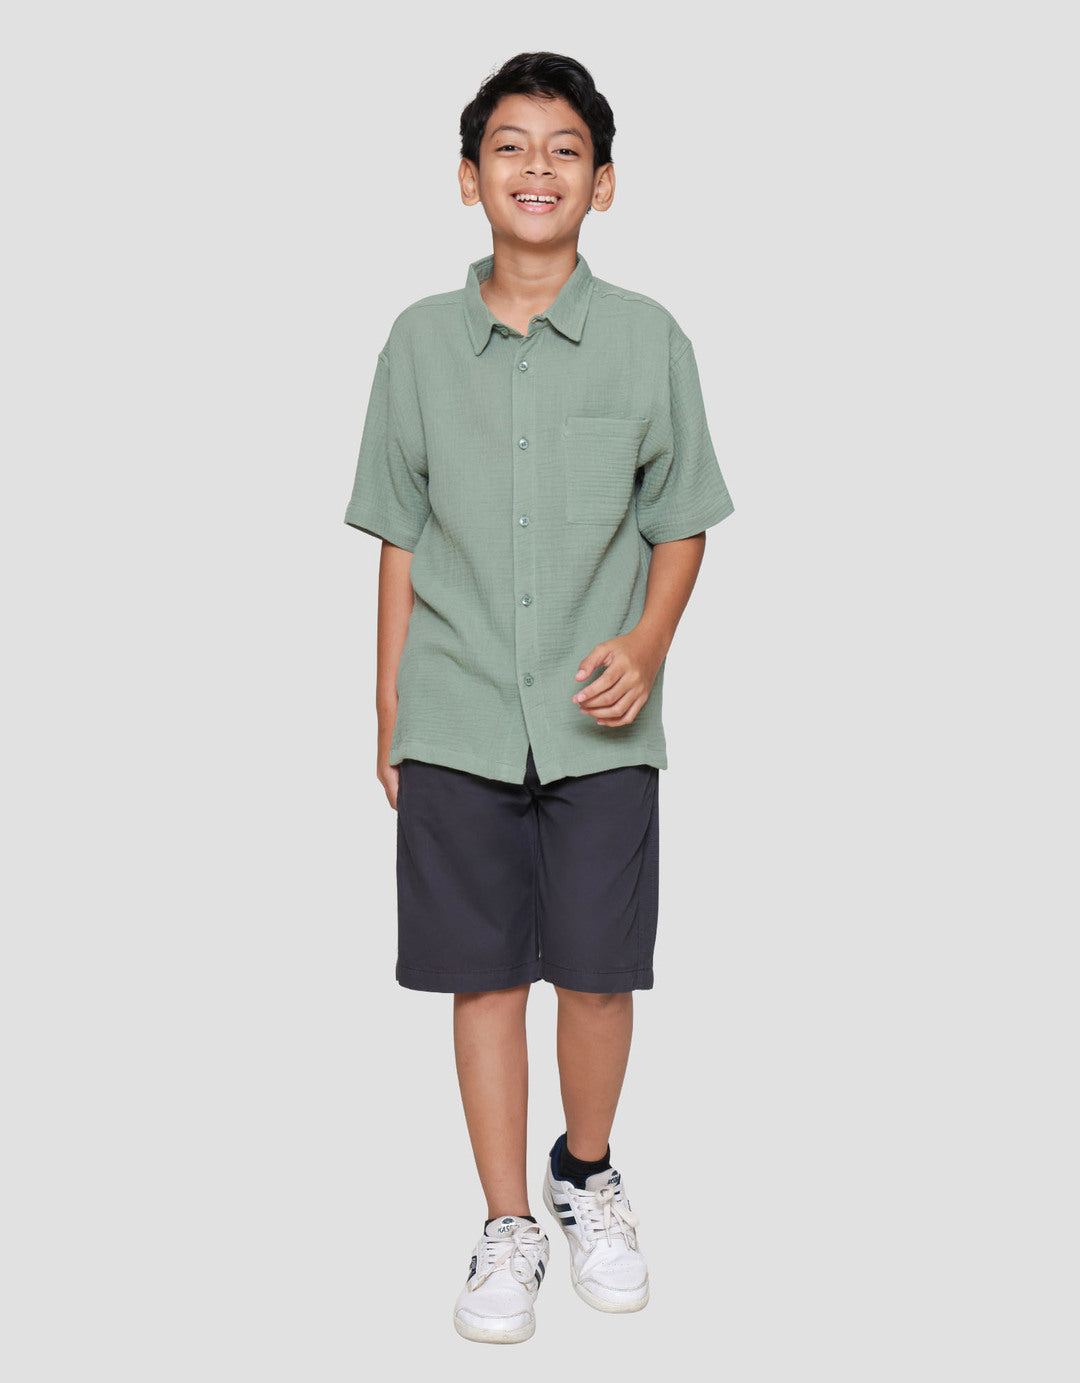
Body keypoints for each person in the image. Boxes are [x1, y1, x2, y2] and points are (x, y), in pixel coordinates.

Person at [343, 51, 735, 1345]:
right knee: (485, 978)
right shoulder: (416, 343)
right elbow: (399, 535)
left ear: (603, 184)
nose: (537, 168)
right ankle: (507, 1222)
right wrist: (389, 710)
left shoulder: (649, 339)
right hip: (455, 710)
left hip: (598, 720)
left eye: (566, 150)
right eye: (510, 146)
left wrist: (648, 645)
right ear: (469, 178)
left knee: (601, 974)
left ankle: (587, 1173)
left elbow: (681, 521)